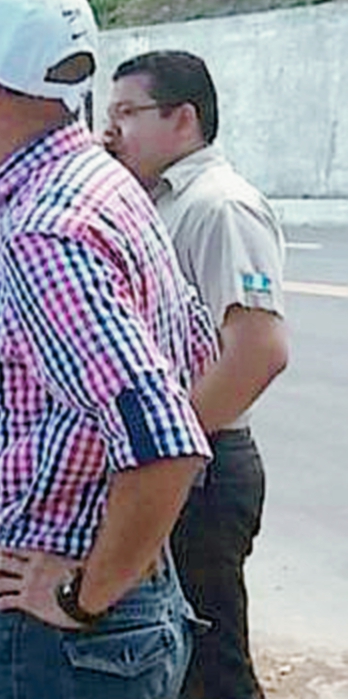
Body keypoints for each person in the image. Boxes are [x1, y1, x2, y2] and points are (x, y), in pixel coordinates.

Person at [0, 0, 219, 699]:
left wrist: (83, 593)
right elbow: (196, 362)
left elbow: (165, 442)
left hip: (65, 646)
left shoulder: (47, 230)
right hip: (109, 625)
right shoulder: (101, 185)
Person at [103, 50, 288, 699]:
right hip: (181, 460)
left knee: (211, 670)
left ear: (183, 119)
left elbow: (258, 351)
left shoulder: (219, 206)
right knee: (172, 659)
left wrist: (164, 447)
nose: (111, 130)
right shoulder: (151, 203)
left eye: (127, 112)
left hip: (205, 469)